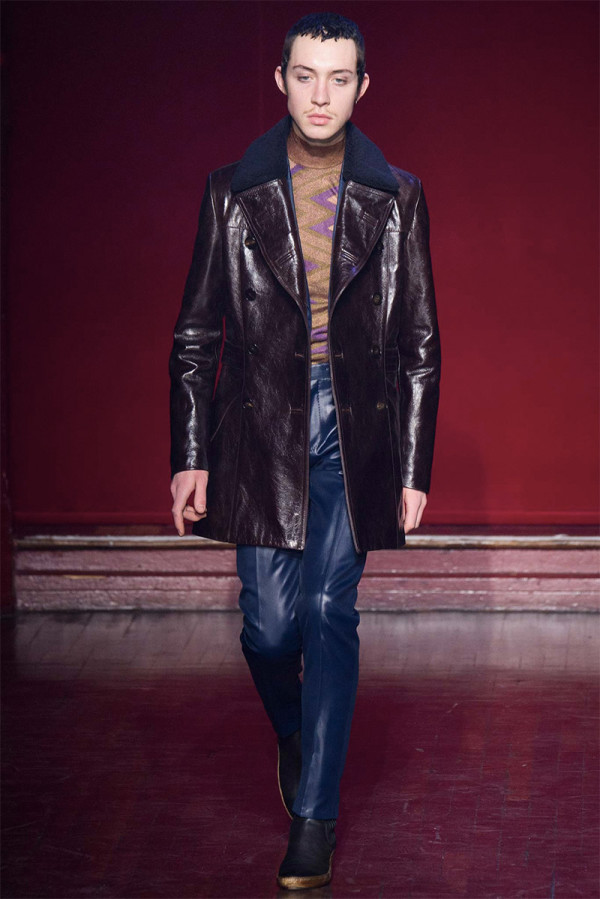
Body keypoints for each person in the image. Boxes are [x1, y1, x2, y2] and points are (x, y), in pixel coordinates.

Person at [169, 12, 440, 890]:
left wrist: (412, 467)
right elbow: (196, 334)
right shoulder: (230, 191)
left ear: (363, 88)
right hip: (260, 426)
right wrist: (190, 452)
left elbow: (420, 340)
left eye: (339, 78)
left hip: (352, 426)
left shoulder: (397, 196)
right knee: (268, 628)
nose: (321, 95)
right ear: (282, 80)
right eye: (305, 76)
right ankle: (295, 732)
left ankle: (315, 817)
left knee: (327, 607)